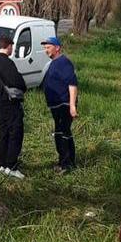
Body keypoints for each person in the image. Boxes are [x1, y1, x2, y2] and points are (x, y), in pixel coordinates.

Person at [0, 35, 27, 179]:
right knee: (15, 132)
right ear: (8, 46)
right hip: (10, 102)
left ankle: (3, 164)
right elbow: (17, 81)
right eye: (12, 46)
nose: (12, 49)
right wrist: (23, 88)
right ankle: (12, 166)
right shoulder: (6, 62)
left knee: (3, 132)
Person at [40, 36, 78, 174]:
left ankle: (67, 165)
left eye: (48, 47)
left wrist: (72, 106)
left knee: (62, 133)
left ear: (57, 48)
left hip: (64, 105)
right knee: (60, 133)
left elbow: (72, 84)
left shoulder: (64, 63)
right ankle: (65, 162)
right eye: (45, 48)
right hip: (56, 106)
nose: (46, 50)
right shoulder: (54, 63)